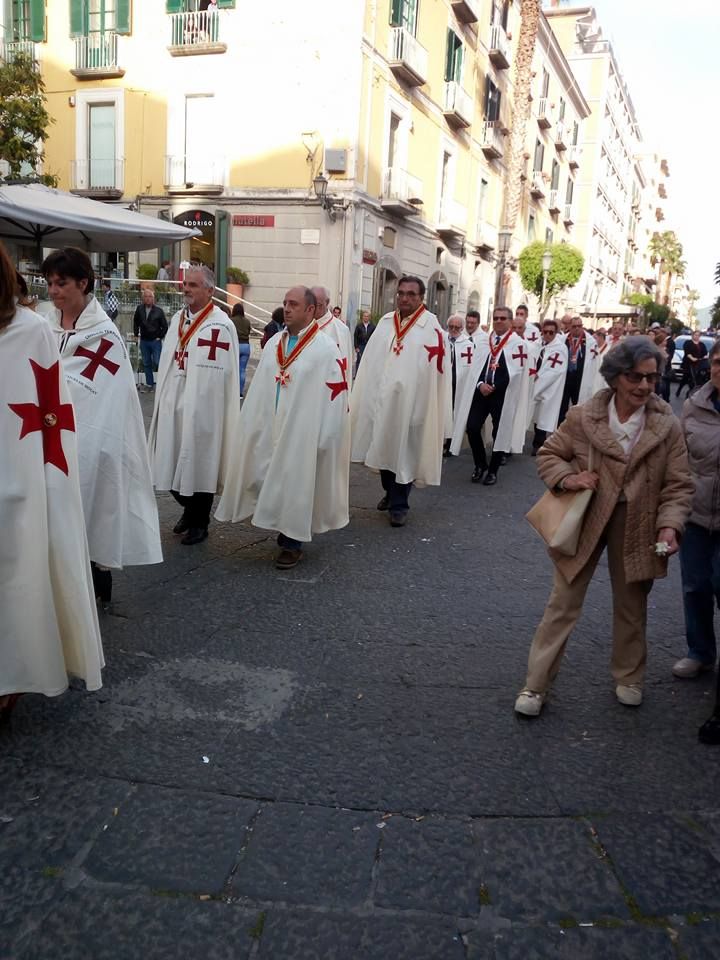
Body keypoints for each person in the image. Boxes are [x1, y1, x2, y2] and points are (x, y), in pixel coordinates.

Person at [514, 337, 693, 718]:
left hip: (638, 520)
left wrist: (670, 526)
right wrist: (568, 478)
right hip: (587, 515)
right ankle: (536, 684)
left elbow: (678, 484)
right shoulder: (584, 416)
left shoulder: (667, 425)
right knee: (563, 602)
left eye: (652, 378)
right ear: (615, 377)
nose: (644, 386)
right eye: (634, 377)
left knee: (631, 605)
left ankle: (629, 676)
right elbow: (549, 454)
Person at [1, 245, 104, 721]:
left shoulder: (32, 331)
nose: (55, 289)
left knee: (16, 575)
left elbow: (54, 413)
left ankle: (14, 674)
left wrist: (50, 484)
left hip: (16, 478)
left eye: (64, 281)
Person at [43, 247, 163, 605]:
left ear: (84, 283)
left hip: (92, 436)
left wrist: (93, 436)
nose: (53, 291)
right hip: (48, 434)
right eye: (49, 283)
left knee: (90, 504)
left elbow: (112, 397)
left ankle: (97, 577)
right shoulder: (43, 326)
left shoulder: (105, 336)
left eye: (61, 283)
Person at [216, 286, 350, 569]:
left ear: (311, 310)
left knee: (296, 482)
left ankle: (292, 542)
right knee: (268, 476)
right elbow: (263, 383)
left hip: (303, 428)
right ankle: (280, 522)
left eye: (294, 304)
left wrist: (326, 436)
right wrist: (250, 421)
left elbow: (336, 393)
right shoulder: (276, 341)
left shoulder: (325, 348)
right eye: (285, 303)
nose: (287, 309)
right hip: (270, 422)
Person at [148, 265, 241, 546]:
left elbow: (222, 375)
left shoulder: (221, 325)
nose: (186, 289)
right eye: (185, 284)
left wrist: (205, 405)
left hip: (203, 408)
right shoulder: (178, 319)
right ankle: (188, 509)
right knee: (170, 457)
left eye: (194, 285)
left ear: (210, 290)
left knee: (201, 460)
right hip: (173, 399)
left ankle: (200, 521)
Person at [351, 275, 451, 526]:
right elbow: (371, 362)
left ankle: (399, 505)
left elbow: (436, 372)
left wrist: (427, 403)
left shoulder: (432, 328)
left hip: (412, 403)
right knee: (385, 450)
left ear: (421, 298)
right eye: (401, 293)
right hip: (383, 401)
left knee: (405, 452)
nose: (405, 298)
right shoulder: (385, 323)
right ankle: (390, 490)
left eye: (411, 294)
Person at [674, 341, 720, 686]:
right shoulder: (694, 405)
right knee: (695, 587)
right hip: (696, 514)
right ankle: (700, 652)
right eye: (718, 362)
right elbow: (679, 460)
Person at [450, 306, 526, 486]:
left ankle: (493, 471)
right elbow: (475, 369)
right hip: (481, 392)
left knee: (500, 431)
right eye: (496, 318)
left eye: (503, 318)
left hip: (502, 395)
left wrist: (494, 386)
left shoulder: (517, 343)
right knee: (473, 427)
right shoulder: (485, 341)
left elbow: (516, 372)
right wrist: (479, 384)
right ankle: (480, 464)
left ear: (510, 321)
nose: (499, 321)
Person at [529, 319, 569, 455]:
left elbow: (555, 371)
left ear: (556, 333)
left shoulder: (560, 348)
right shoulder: (537, 344)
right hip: (534, 384)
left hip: (549, 388)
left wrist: (538, 379)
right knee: (534, 415)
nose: (547, 335)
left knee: (543, 417)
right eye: (545, 332)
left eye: (551, 332)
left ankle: (538, 444)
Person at [444, 313, 476, 456]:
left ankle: (451, 443)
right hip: (443, 383)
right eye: (451, 326)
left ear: (462, 328)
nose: (454, 329)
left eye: (457, 327)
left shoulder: (468, 344)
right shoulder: (442, 340)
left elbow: (470, 366)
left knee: (454, 413)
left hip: (458, 384)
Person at [558, 316, 598, 424]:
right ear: (570, 327)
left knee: (578, 406)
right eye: (574, 326)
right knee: (562, 406)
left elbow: (593, 362)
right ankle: (560, 429)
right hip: (566, 378)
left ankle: (576, 429)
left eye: (579, 326)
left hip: (580, 378)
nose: (577, 328)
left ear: (582, 326)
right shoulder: (563, 340)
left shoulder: (590, 342)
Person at [312, 284, 353, 388]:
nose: (315, 309)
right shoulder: (301, 326)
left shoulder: (341, 330)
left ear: (327, 302)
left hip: (329, 386)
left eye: (319, 305)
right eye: (312, 304)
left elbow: (346, 367)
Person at [132, 287, 168, 392]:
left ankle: (162, 383)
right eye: (146, 296)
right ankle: (150, 384)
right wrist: (135, 334)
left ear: (153, 299)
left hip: (155, 341)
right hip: (144, 340)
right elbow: (136, 322)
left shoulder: (159, 311)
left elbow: (165, 326)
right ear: (143, 298)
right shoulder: (139, 309)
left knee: (158, 362)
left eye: (150, 297)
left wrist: (159, 337)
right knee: (146, 363)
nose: (148, 299)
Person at [676, 330, 708, 398]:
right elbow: (687, 353)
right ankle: (679, 389)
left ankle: (690, 394)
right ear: (692, 335)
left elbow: (705, 353)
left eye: (698, 335)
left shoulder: (702, 344)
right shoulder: (688, 343)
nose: (697, 337)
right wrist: (692, 358)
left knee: (694, 379)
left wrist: (704, 357)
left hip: (698, 364)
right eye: (695, 335)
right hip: (688, 364)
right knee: (685, 378)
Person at [230, 302, 252, 397]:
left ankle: (232, 391)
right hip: (246, 346)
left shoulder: (231, 320)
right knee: (242, 369)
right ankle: (240, 392)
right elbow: (249, 331)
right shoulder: (247, 321)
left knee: (233, 369)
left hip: (235, 345)